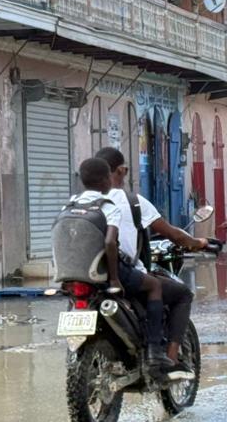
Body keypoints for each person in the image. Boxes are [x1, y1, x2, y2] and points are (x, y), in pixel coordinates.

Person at [95, 146, 207, 370]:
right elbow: (174, 235)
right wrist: (199, 243)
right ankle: (166, 357)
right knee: (182, 294)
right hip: (121, 272)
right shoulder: (133, 202)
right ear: (122, 170)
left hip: (90, 275)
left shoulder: (82, 201)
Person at [68, 157, 173, 370]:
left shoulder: (71, 203)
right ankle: (154, 350)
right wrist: (115, 279)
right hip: (106, 270)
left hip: (78, 271)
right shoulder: (108, 206)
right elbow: (110, 242)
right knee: (154, 285)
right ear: (106, 180)